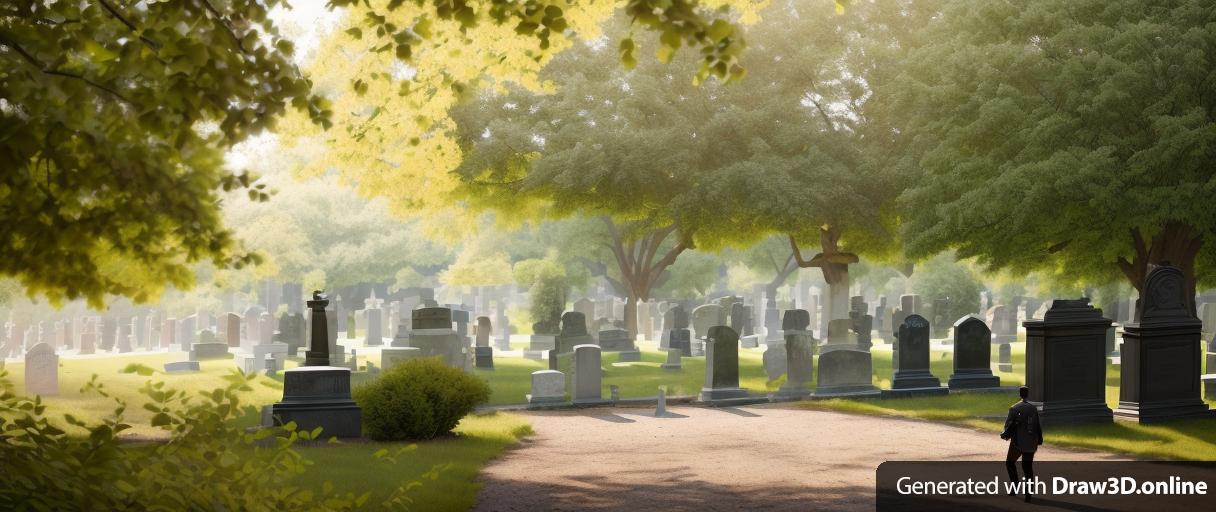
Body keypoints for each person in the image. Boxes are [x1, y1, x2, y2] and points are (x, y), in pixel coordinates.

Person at [1002, 386, 1043, 502]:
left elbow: (1007, 427)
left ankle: (1015, 487)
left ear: (1020, 394)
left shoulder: (1014, 408)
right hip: (1031, 442)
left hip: (1017, 442)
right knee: (1027, 468)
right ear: (1028, 394)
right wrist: (1039, 439)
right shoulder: (1033, 409)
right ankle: (1028, 493)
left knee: (1010, 463)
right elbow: (1037, 426)